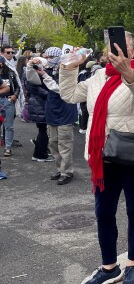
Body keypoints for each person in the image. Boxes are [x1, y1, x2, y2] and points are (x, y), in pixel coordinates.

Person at [59, 33, 134, 284]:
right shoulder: (97, 78)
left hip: (133, 156)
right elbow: (70, 95)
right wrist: (69, 69)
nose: (118, 49)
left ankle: (133, 264)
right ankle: (109, 268)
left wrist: (128, 73)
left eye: (125, 45)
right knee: (104, 214)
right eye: (113, 45)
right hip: (103, 157)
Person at [39, 47, 79, 184]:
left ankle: (67, 172)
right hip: (52, 113)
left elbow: (60, 89)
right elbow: (31, 80)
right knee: (53, 145)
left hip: (65, 114)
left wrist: (44, 75)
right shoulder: (47, 71)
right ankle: (59, 168)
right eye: (47, 57)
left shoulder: (68, 71)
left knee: (65, 145)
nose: (49, 60)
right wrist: (31, 66)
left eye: (51, 57)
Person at [0, 56, 20, 157]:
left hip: (8, 100)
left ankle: (8, 148)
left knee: (8, 126)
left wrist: (15, 95)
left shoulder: (10, 73)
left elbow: (17, 87)